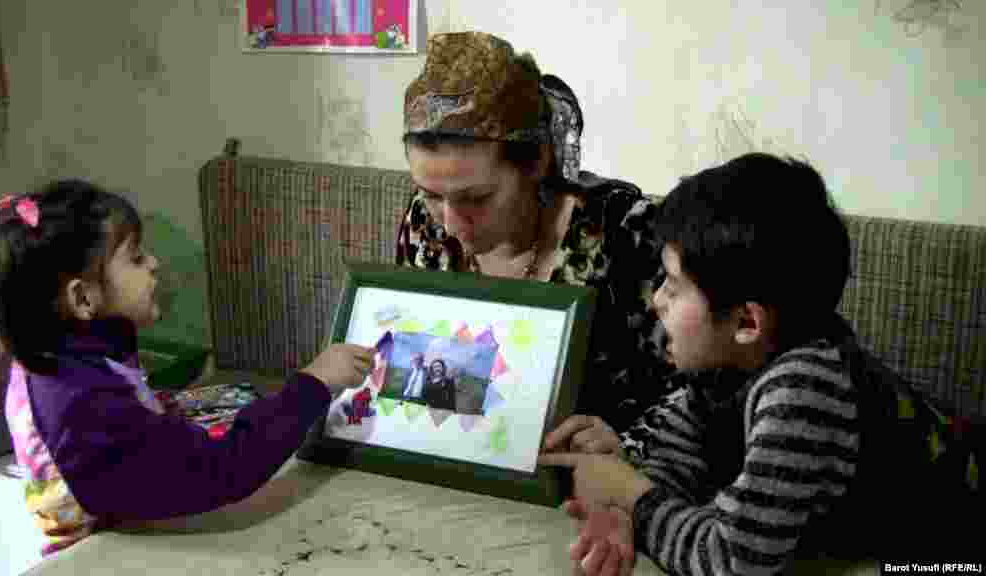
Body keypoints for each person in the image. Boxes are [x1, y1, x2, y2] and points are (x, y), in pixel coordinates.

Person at [538, 153, 971, 575]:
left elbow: (732, 562)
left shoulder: (804, 388)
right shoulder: (725, 369)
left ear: (747, 321)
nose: (656, 300)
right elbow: (675, 464)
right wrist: (622, 512)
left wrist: (634, 498)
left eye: (673, 285)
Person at [0, 180, 375, 556]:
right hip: (105, 558)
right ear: (82, 297)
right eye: (135, 256)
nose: (153, 262)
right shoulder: (81, 404)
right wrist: (313, 384)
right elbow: (225, 470)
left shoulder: (56, 347)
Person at [395, 31, 674, 432]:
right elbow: (428, 375)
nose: (451, 223)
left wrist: (624, 450)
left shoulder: (630, 233)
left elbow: (699, 394)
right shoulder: (424, 224)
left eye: (476, 198)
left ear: (537, 162)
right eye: (431, 195)